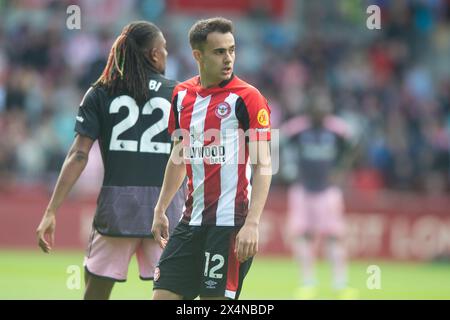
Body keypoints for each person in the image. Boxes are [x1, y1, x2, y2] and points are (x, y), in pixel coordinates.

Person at [36, 21, 185, 300]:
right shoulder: (180, 93)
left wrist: (51, 210)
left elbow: (78, 154)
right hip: (167, 213)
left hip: (117, 211)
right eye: (164, 48)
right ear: (154, 54)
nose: (166, 54)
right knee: (174, 294)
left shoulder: (100, 91)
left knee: (94, 293)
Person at [151, 17, 272, 300]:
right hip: (190, 221)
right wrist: (160, 209)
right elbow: (179, 157)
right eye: (219, 52)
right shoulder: (181, 95)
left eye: (232, 50)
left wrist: (252, 223)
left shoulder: (249, 98)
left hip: (229, 225)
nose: (228, 58)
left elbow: (264, 164)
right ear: (198, 55)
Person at [281, 90, 358, 300]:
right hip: (302, 189)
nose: (321, 114)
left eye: (324, 110)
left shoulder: (338, 129)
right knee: (302, 236)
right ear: (309, 111)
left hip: (328, 191)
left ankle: (340, 284)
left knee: (334, 237)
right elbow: (278, 144)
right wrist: (287, 169)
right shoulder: (297, 128)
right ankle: (308, 282)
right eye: (317, 110)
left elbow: (354, 147)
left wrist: (342, 170)